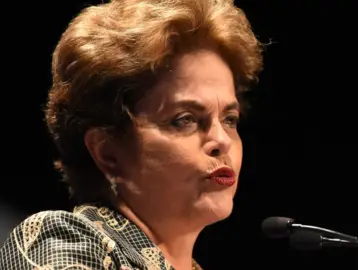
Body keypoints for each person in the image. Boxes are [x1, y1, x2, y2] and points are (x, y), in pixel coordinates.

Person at [0, 0, 263, 269]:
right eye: (185, 120)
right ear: (108, 152)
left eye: (230, 119)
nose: (221, 140)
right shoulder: (63, 244)